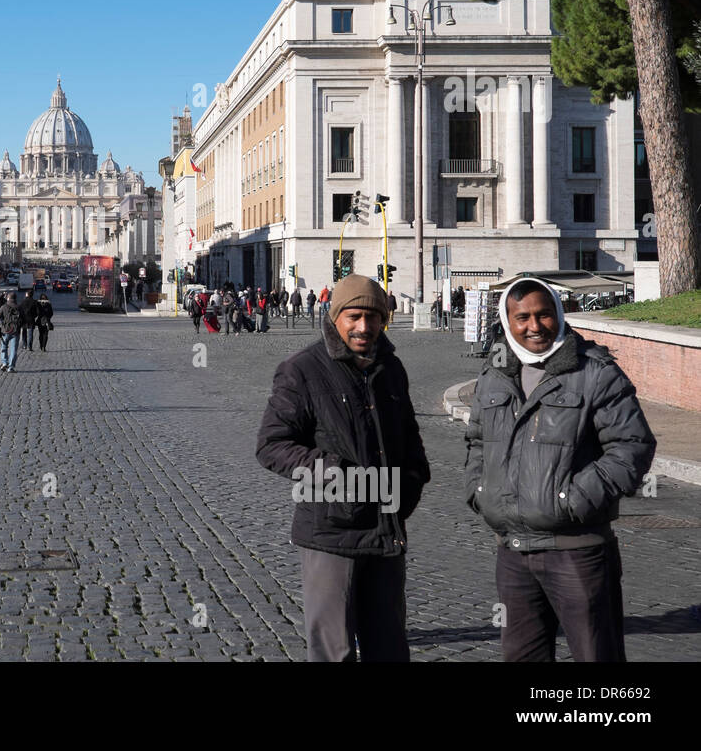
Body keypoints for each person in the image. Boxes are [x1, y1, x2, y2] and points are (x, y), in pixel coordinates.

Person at [465, 278, 656, 662]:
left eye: (543, 314)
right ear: (507, 321)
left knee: (595, 654)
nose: (534, 326)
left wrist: (572, 500)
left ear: (559, 314)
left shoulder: (596, 372)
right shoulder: (493, 374)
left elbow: (632, 446)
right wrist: (480, 492)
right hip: (513, 551)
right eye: (522, 318)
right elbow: (476, 441)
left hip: (577, 551)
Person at [256, 275, 431, 661]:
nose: (364, 327)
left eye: (373, 317)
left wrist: (414, 480)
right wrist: (334, 473)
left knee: (388, 646)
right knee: (334, 651)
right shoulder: (301, 369)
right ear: (335, 317)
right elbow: (271, 446)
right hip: (330, 531)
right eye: (354, 316)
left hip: (386, 527)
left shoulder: (392, 367)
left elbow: (409, 434)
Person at [0, 294, 22, 372]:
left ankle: (4, 363)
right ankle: (11, 367)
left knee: (4, 348)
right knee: (13, 350)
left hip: (5, 331)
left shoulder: (3, 307)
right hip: (15, 332)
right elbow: (23, 319)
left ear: (8, 298)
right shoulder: (19, 307)